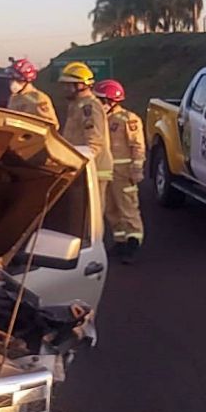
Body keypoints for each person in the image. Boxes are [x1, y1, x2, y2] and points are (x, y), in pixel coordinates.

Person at [93, 79, 145, 264]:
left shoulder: (128, 119)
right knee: (111, 209)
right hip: (106, 171)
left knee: (128, 208)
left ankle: (133, 243)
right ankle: (120, 240)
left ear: (112, 100)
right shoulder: (100, 119)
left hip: (123, 172)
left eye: (101, 99)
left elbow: (137, 145)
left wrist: (136, 168)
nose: (98, 103)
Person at [57, 62, 112, 209]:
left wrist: (78, 164)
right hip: (81, 169)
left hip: (92, 170)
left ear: (81, 85)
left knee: (89, 217)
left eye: (69, 85)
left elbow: (94, 142)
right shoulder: (77, 104)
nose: (65, 89)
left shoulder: (89, 107)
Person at [5, 58, 59, 127]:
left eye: (18, 80)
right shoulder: (13, 98)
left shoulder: (38, 98)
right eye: (11, 79)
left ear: (27, 80)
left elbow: (51, 125)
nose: (13, 83)